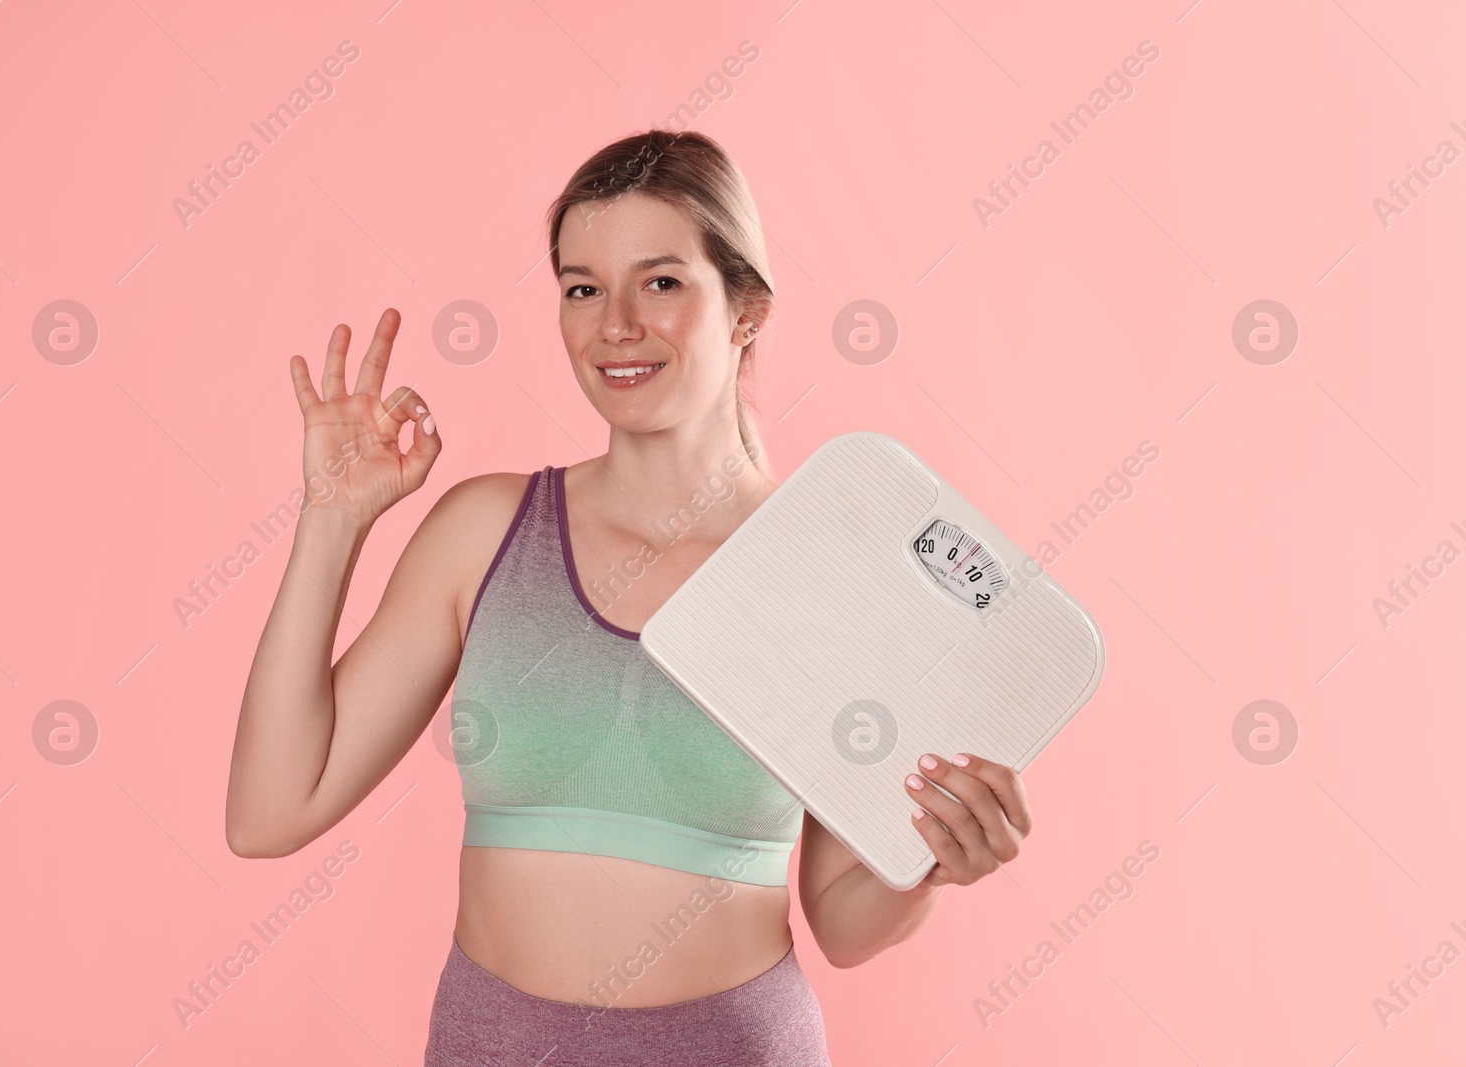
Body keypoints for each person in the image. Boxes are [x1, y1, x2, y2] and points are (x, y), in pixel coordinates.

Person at [224, 129, 1033, 1065]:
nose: (615, 324)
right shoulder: (484, 532)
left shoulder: (824, 572)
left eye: (660, 282)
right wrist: (333, 522)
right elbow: (269, 812)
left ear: (746, 310)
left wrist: (930, 861)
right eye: (581, 288)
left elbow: (845, 923)